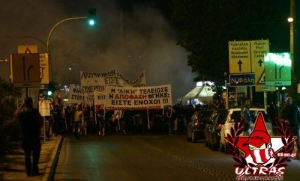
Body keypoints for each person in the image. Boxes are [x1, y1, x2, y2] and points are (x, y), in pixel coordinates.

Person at [17, 97, 43, 176]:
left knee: (27, 155)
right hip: (34, 136)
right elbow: (40, 123)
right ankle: (34, 170)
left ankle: (28, 172)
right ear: (31, 103)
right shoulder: (35, 111)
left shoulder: (20, 112)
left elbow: (15, 115)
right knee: (35, 155)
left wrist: (21, 107)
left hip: (24, 136)